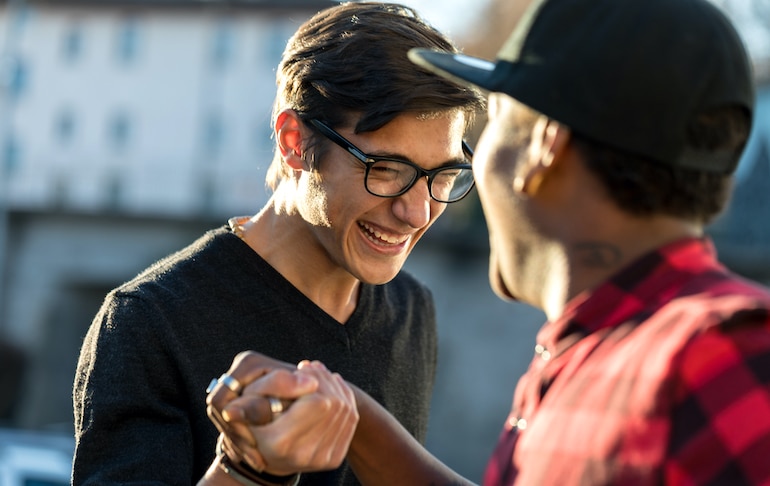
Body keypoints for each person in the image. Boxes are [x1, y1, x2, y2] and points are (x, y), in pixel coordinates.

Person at [207, 0, 770, 483]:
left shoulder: (727, 356)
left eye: (493, 119)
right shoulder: (603, 352)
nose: (420, 207)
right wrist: (352, 416)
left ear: (544, 145)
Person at [71, 2, 484, 484]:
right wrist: (245, 469)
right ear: (294, 142)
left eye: (443, 175)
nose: (416, 213)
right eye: (386, 170)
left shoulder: (412, 308)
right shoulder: (149, 322)